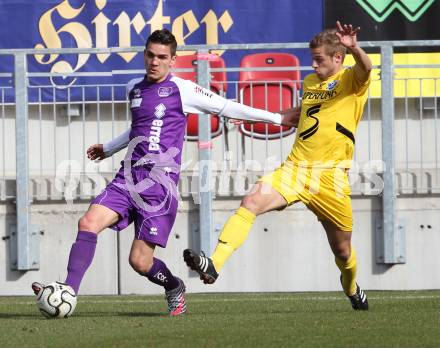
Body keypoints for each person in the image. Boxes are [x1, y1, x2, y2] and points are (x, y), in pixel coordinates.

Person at [31, 29, 297, 316]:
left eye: (162, 57)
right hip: (128, 178)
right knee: (88, 222)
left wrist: (276, 117)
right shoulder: (134, 87)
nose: (154, 62)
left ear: (172, 59)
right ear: (144, 54)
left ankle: (173, 286)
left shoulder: (183, 90)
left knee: (140, 262)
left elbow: (225, 107)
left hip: (159, 189)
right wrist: (109, 148)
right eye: (150, 55)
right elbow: (137, 128)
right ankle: (69, 290)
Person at [183, 21, 372, 311]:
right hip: (295, 169)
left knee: (343, 251)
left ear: (338, 58)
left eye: (319, 59)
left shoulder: (351, 82)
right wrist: (252, 117)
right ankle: (214, 264)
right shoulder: (311, 84)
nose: (312, 64)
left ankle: (351, 288)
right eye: (312, 58)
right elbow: (297, 115)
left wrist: (355, 48)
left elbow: (366, 68)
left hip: (331, 179)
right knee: (251, 200)